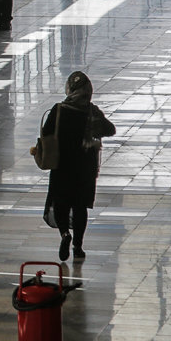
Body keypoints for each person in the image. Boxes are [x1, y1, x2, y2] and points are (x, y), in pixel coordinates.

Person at [37, 71, 115, 261]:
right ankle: (78, 246)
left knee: (61, 203)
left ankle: (65, 234)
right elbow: (110, 130)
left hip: (61, 165)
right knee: (80, 207)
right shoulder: (92, 112)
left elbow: (46, 132)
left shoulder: (59, 110)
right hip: (85, 169)